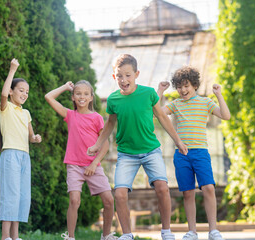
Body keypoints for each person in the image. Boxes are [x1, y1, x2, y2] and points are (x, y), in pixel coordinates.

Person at [87, 54, 188, 240]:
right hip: (126, 155)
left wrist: (178, 141)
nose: (123, 80)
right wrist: (97, 144)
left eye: (127, 75)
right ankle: (127, 234)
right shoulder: (113, 99)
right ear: (114, 77)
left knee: (162, 188)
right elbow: (110, 124)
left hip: (151, 151)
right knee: (119, 194)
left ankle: (166, 231)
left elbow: (163, 118)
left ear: (136, 74)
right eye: (119, 76)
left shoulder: (149, 93)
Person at [157, 66, 231, 240]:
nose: (183, 90)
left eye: (186, 86)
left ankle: (213, 230)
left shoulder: (205, 102)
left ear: (195, 85)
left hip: (201, 153)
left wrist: (219, 95)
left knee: (209, 188)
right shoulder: (175, 104)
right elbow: (157, 113)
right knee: (188, 192)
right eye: (180, 87)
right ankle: (192, 231)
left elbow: (226, 116)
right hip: (181, 155)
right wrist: (160, 91)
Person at [45, 80, 117, 240]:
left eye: (85, 94)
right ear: (73, 97)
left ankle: (106, 235)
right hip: (74, 166)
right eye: (78, 93)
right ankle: (70, 237)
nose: (82, 96)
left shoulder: (97, 118)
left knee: (109, 200)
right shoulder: (70, 115)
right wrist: (65, 87)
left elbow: (104, 145)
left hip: (93, 166)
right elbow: (48, 97)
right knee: (74, 200)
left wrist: (93, 163)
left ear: (91, 97)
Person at [0, 58, 42, 240]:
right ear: (11, 92)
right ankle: (5, 237)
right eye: (21, 90)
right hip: (10, 154)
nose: (25, 94)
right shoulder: (6, 107)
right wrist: (12, 70)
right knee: (11, 194)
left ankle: (15, 237)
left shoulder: (26, 113)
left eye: (27, 92)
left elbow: (30, 136)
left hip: (25, 156)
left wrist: (35, 138)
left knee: (22, 196)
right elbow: (2, 95)